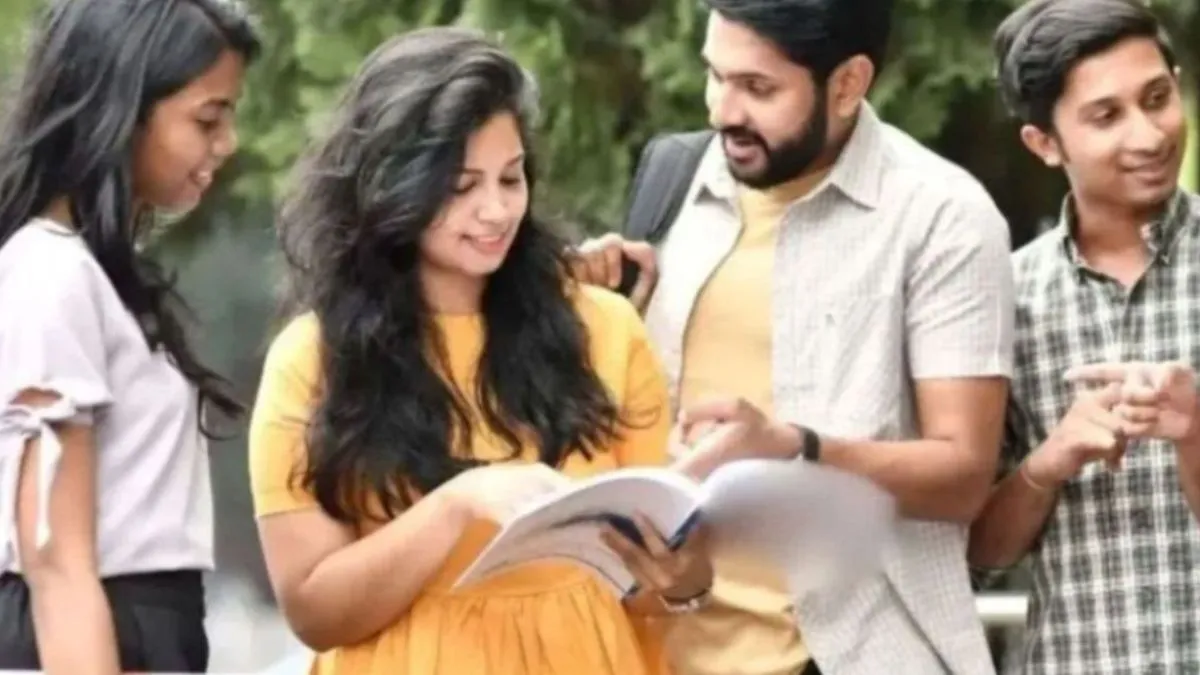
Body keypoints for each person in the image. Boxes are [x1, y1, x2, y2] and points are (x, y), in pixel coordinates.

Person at [247, 27, 713, 675]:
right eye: (462, 186)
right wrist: (457, 503)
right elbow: (314, 610)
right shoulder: (313, 358)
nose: (495, 210)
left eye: (510, 178)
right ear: (394, 185)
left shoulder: (604, 328)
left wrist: (685, 578)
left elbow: (653, 589)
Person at [575, 0, 1015, 672]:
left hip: (847, 653)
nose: (723, 110)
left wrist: (796, 449)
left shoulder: (942, 216)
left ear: (848, 83)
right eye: (715, 75)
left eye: (758, 87)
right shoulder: (675, 179)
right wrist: (599, 309)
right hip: (667, 648)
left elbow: (963, 475)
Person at [0, 0, 260, 673]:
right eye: (207, 119)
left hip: (147, 628)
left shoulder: (94, 275)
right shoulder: (51, 272)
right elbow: (56, 562)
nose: (227, 143)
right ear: (122, 107)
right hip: (96, 633)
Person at [969, 1, 1200, 673]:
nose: (1149, 136)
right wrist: (1048, 462)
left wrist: (1194, 432)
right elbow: (976, 554)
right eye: (1106, 116)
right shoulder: (1002, 301)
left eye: (1156, 99)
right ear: (1044, 143)